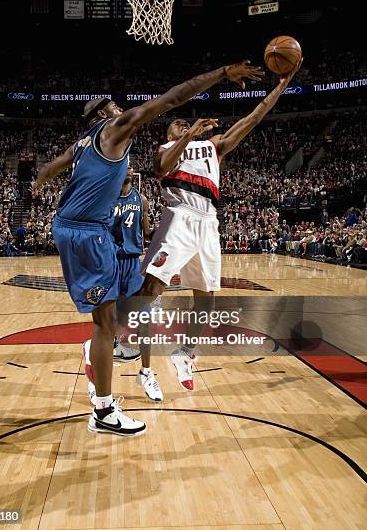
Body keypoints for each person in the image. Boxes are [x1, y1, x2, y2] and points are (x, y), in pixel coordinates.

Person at [33, 60, 263, 437]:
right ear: (102, 115)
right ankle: (105, 408)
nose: (121, 110)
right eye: (113, 106)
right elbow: (172, 98)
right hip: (87, 233)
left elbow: (51, 166)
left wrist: (35, 187)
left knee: (116, 318)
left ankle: (121, 373)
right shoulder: (113, 129)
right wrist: (221, 74)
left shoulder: (81, 146)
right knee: (107, 325)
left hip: (86, 232)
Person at [138, 60, 302, 391]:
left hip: (208, 223)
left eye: (187, 123)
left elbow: (253, 117)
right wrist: (190, 135)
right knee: (151, 290)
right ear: (170, 133)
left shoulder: (215, 147)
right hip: (179, 217)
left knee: (207, 300)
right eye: (178, 124)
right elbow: (162, 168)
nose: (183, 125)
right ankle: (139, 361)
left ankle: (184, 353)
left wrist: (283, 84)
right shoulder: (167, 149)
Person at [83, 165, 163, 403]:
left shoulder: (142, 200)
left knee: (145, 321)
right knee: (107, 326)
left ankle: (146, 373)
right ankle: (96, 377)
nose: (129, 169)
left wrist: (167, 233)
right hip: (108, 264)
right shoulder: (103, 199)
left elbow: (147, 233)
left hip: (132, 265)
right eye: (124, 166)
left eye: (131, 167)